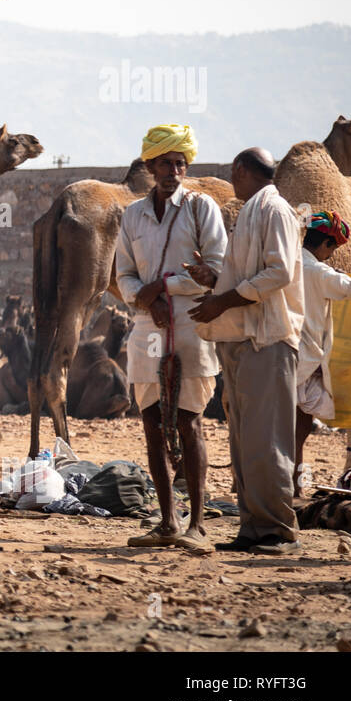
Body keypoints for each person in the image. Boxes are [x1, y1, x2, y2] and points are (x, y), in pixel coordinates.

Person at [116, 125, 227, 553]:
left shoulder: (202, 209)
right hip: (147, 328)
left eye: (181, 163)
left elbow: (215, 270)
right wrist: (143, 299)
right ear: (150, 166)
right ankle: (167, 520)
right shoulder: (132, 215)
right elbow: (124, 273)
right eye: (166, 163)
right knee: (150, 423)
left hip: (192, 321)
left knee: (189, 421)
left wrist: (163, 289)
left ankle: (197, 524)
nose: (174, 171)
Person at [190, 147, 305, 555]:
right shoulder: (252, 212)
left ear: (240, 170)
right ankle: (253, 528)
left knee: (267, 438)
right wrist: (215, 279)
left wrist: (223, 300)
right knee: (244, 440)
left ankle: (276, 530)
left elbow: (279, 272)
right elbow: (251, 276)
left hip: (268, 342)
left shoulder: (274, 212)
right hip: (242, 341)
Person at [295, 210, 351, 494]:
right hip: (303, 357)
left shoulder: (291, 262)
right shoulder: (318, 271)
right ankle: (290, 485)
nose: (330, 256)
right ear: (326, 245)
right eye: (332, 250)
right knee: (298, 425)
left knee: (298, 421)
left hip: (283, 354)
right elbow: (350, 289)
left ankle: (290, 482)